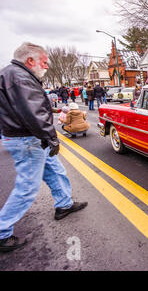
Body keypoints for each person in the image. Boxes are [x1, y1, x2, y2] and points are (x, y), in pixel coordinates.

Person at [0, 42, 88, 252]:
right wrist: (52, 138)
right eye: (44, 62)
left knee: (55, 170)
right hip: (29, 139)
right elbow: (34, 113)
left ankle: (64, 204)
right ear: (30, 60)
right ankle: (2, 231)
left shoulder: (12, 74)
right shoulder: (20, 77)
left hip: (28, 137)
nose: (47, 66)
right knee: (27, 187)